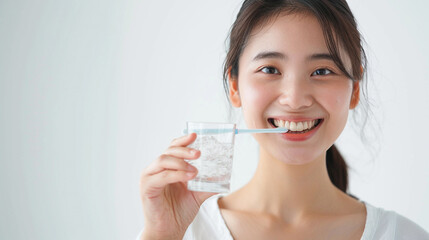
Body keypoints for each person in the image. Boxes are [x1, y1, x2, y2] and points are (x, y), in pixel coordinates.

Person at [138, 0, 429, 239]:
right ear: (235, 86)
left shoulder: (402, 235)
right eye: (270, 69)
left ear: (354, 89)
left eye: (322, 71)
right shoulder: (184, 231)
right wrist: (161, 234)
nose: (295, 98)